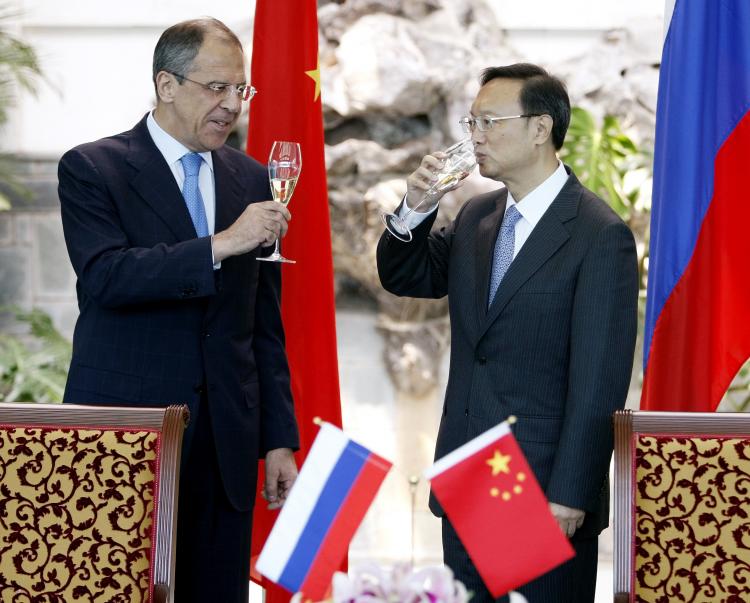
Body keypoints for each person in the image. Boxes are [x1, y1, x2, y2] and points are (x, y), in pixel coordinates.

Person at [58, 18, 299, 603]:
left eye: (240, 90)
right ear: (167, 84)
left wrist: (277, 438)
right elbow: (107, 277)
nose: (231, 105)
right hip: (124, 440)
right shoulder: (93, 168)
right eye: (216, 88)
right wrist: (221, 245)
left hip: (227, 445)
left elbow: (263, 325)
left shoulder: (250, 177)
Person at [377, 64, 639, 602]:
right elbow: (407, 276)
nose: (475, 136)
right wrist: (416, 210)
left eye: (489, 122)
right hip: (468, 480)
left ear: (541, 128)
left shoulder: (599, 234)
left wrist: (570, 493)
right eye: (472, 122)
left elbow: (599, 383)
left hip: (542, 492)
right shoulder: (477, 216)